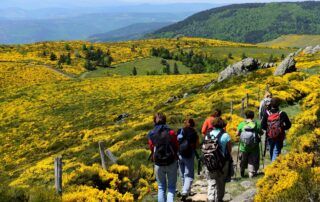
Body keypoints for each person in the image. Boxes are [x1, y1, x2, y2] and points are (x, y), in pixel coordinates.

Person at [147, 113, 178, 202]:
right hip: (171, 161)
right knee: (171, 187)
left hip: (158, 163)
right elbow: (176, 145)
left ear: (154, 121)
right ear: (165, 120)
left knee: (161, 187)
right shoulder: (171, 132)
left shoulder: (152, 134)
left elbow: (151, 148)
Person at [204, 117, 232, 202]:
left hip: (209, 162)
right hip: (222, 163)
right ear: (223, 125)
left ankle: (210, 198)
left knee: (211, 180)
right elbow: (229, 150)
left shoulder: (207, 135)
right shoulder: (225, 135)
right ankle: (219, 199)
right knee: (221, 181)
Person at [261, 98, 291, 162]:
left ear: (271, 104)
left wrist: (269, 129)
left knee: (272, 151)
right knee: (276, 151)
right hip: (279, 136)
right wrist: (282, 128)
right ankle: (274, 167)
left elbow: (263, 126)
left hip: (269, 135)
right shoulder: (282, 113)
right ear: (279, 104)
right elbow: (288, 125)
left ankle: (273, 167)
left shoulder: (267, 114)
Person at [177, 118, 199, 200]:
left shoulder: (180, 130)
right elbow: (197, 144)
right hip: (189, 154)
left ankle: (185, 190)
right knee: (189, 174)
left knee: (182, 174)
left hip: (179, 153)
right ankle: (185, 191)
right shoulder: (193, 132)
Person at [237, 110, 262, 178]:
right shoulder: (256, 124)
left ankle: (242, 170)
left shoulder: (242, 124)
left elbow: (237, 134)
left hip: (243, 146)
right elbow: (261, 132)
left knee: (243, 159)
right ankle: (251, 172)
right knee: (253, 160)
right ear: (253, 116)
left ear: (245, 116)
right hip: (254, 146)